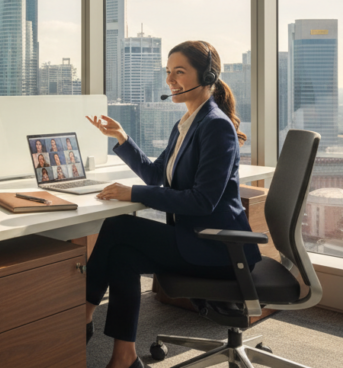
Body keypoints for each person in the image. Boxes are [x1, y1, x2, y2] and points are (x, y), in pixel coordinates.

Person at [83, 41, 258, 368]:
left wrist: (131, 194)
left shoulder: (215, 126)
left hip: (219, 247)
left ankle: (82, 316)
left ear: (206, 76)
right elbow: (155, 176)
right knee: (122, 255)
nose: (170, 80)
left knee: (119, 225)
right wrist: (122, 138)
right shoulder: (187, 123)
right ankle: (124, 357)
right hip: (195, 239)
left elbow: (203, 201)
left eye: (180, 72)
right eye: (168, 72)